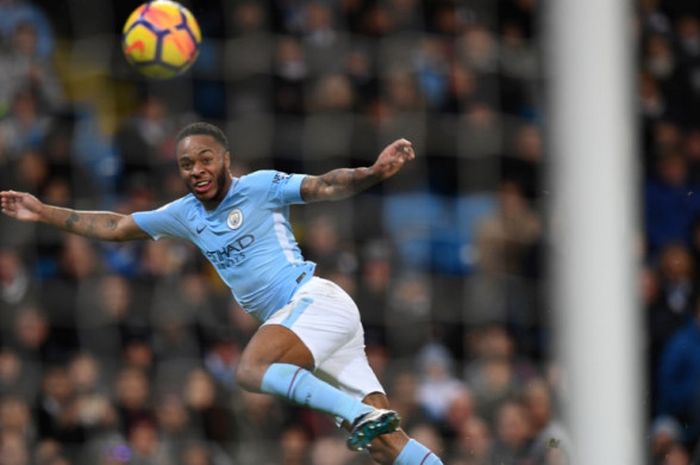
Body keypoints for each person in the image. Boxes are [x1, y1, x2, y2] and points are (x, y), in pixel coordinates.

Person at [0, 121, 444, 465]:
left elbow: (325, 185)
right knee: (388, 448)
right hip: (308, 331)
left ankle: (356, 412)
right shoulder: (185, 214)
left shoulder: (260, 187)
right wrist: (43, 212)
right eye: (186, 165)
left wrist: (373, 171)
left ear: (226, 158)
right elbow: (117, 226)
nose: (197, 171)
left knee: (251, 369)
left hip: (312, 303)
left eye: (205, 159)